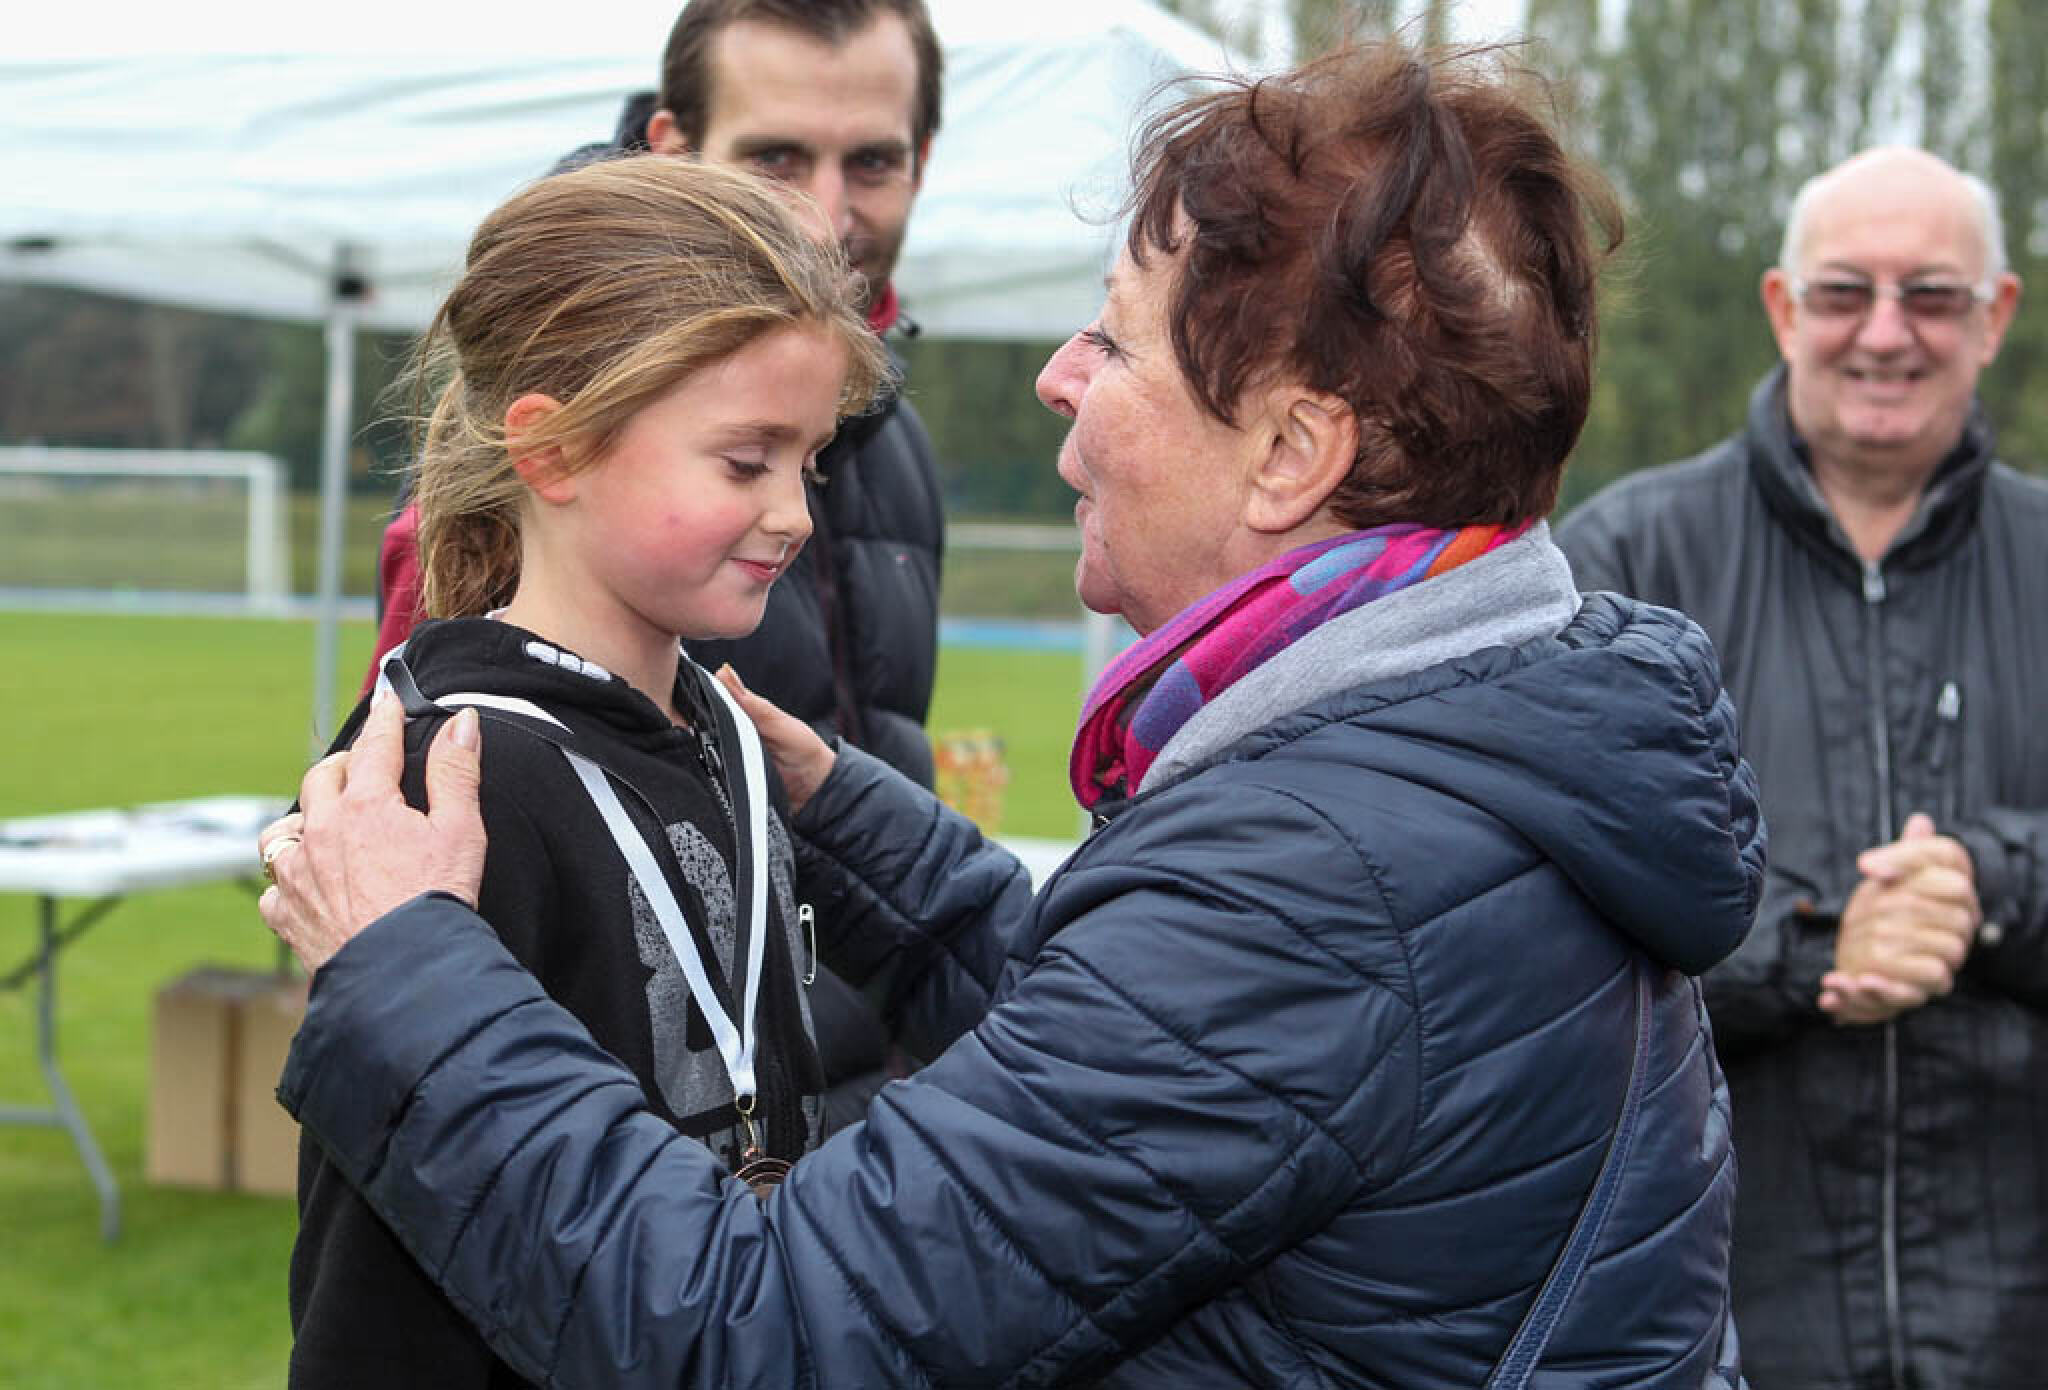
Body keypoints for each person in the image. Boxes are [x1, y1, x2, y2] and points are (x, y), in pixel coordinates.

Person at [262, 43, 1757, 1387]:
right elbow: (1151, 1063)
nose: (1057, 378)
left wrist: (411, 976)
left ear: (1290, 452)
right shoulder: (1460, 744)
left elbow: (764, 1330)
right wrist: (850, 821)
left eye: (1117, 341)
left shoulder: (1328, 874)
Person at [287, 155, 890, 1389]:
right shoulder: (448, 777)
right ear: (554, 449)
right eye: (745, 462)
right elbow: (374, 1268)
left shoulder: (724, 728)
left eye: (811, 462)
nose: (795, 513)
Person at [368, 0, 949, 1132]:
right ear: (671, 147)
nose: (827, 213)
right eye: (777, 157)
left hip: (823, 1134)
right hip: (626, 1190)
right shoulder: (476, 746)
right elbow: (434, 1098)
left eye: (871, 162)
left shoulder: (901, 445)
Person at [1559, 146, 2048, 1387]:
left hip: (2015, 1324)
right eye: (1842, 293)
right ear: (1781, 308)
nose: (1883, 333)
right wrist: (1817, 947)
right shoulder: (1624, 567)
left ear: (1992, 315)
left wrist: (1986, 888)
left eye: (1928, 294)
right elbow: (1551, 936)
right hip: (1710, 1325)